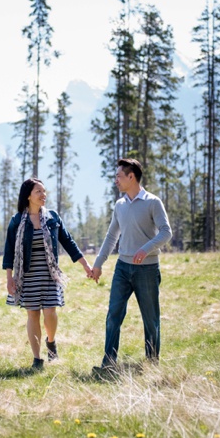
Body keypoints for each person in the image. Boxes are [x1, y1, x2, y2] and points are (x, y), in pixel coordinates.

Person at [90, 158, 172, 375]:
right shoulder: (120, 205)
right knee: (113, 314)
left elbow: (166, 232)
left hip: (147, 269)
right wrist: (98, 264)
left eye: (119, 176)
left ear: (131, 176)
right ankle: (109, 362)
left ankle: (152, 363)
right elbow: (111, 237)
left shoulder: (153, 202)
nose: (115, 180)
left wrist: (146, 249)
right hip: (122, 268)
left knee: (150, 318)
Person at [2, 178, 93, 371]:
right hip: (27, 276)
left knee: (50, 313)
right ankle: (37, 359)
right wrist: (9, 278)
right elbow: (9, 250)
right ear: (28, 196)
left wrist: (85, 264)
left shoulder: (52, 217)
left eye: (44, 191)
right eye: (39, 192)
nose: (44, 195)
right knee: (32, 314)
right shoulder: (17, 220)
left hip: (51, 275)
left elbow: (68, 242)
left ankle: (51, 342)